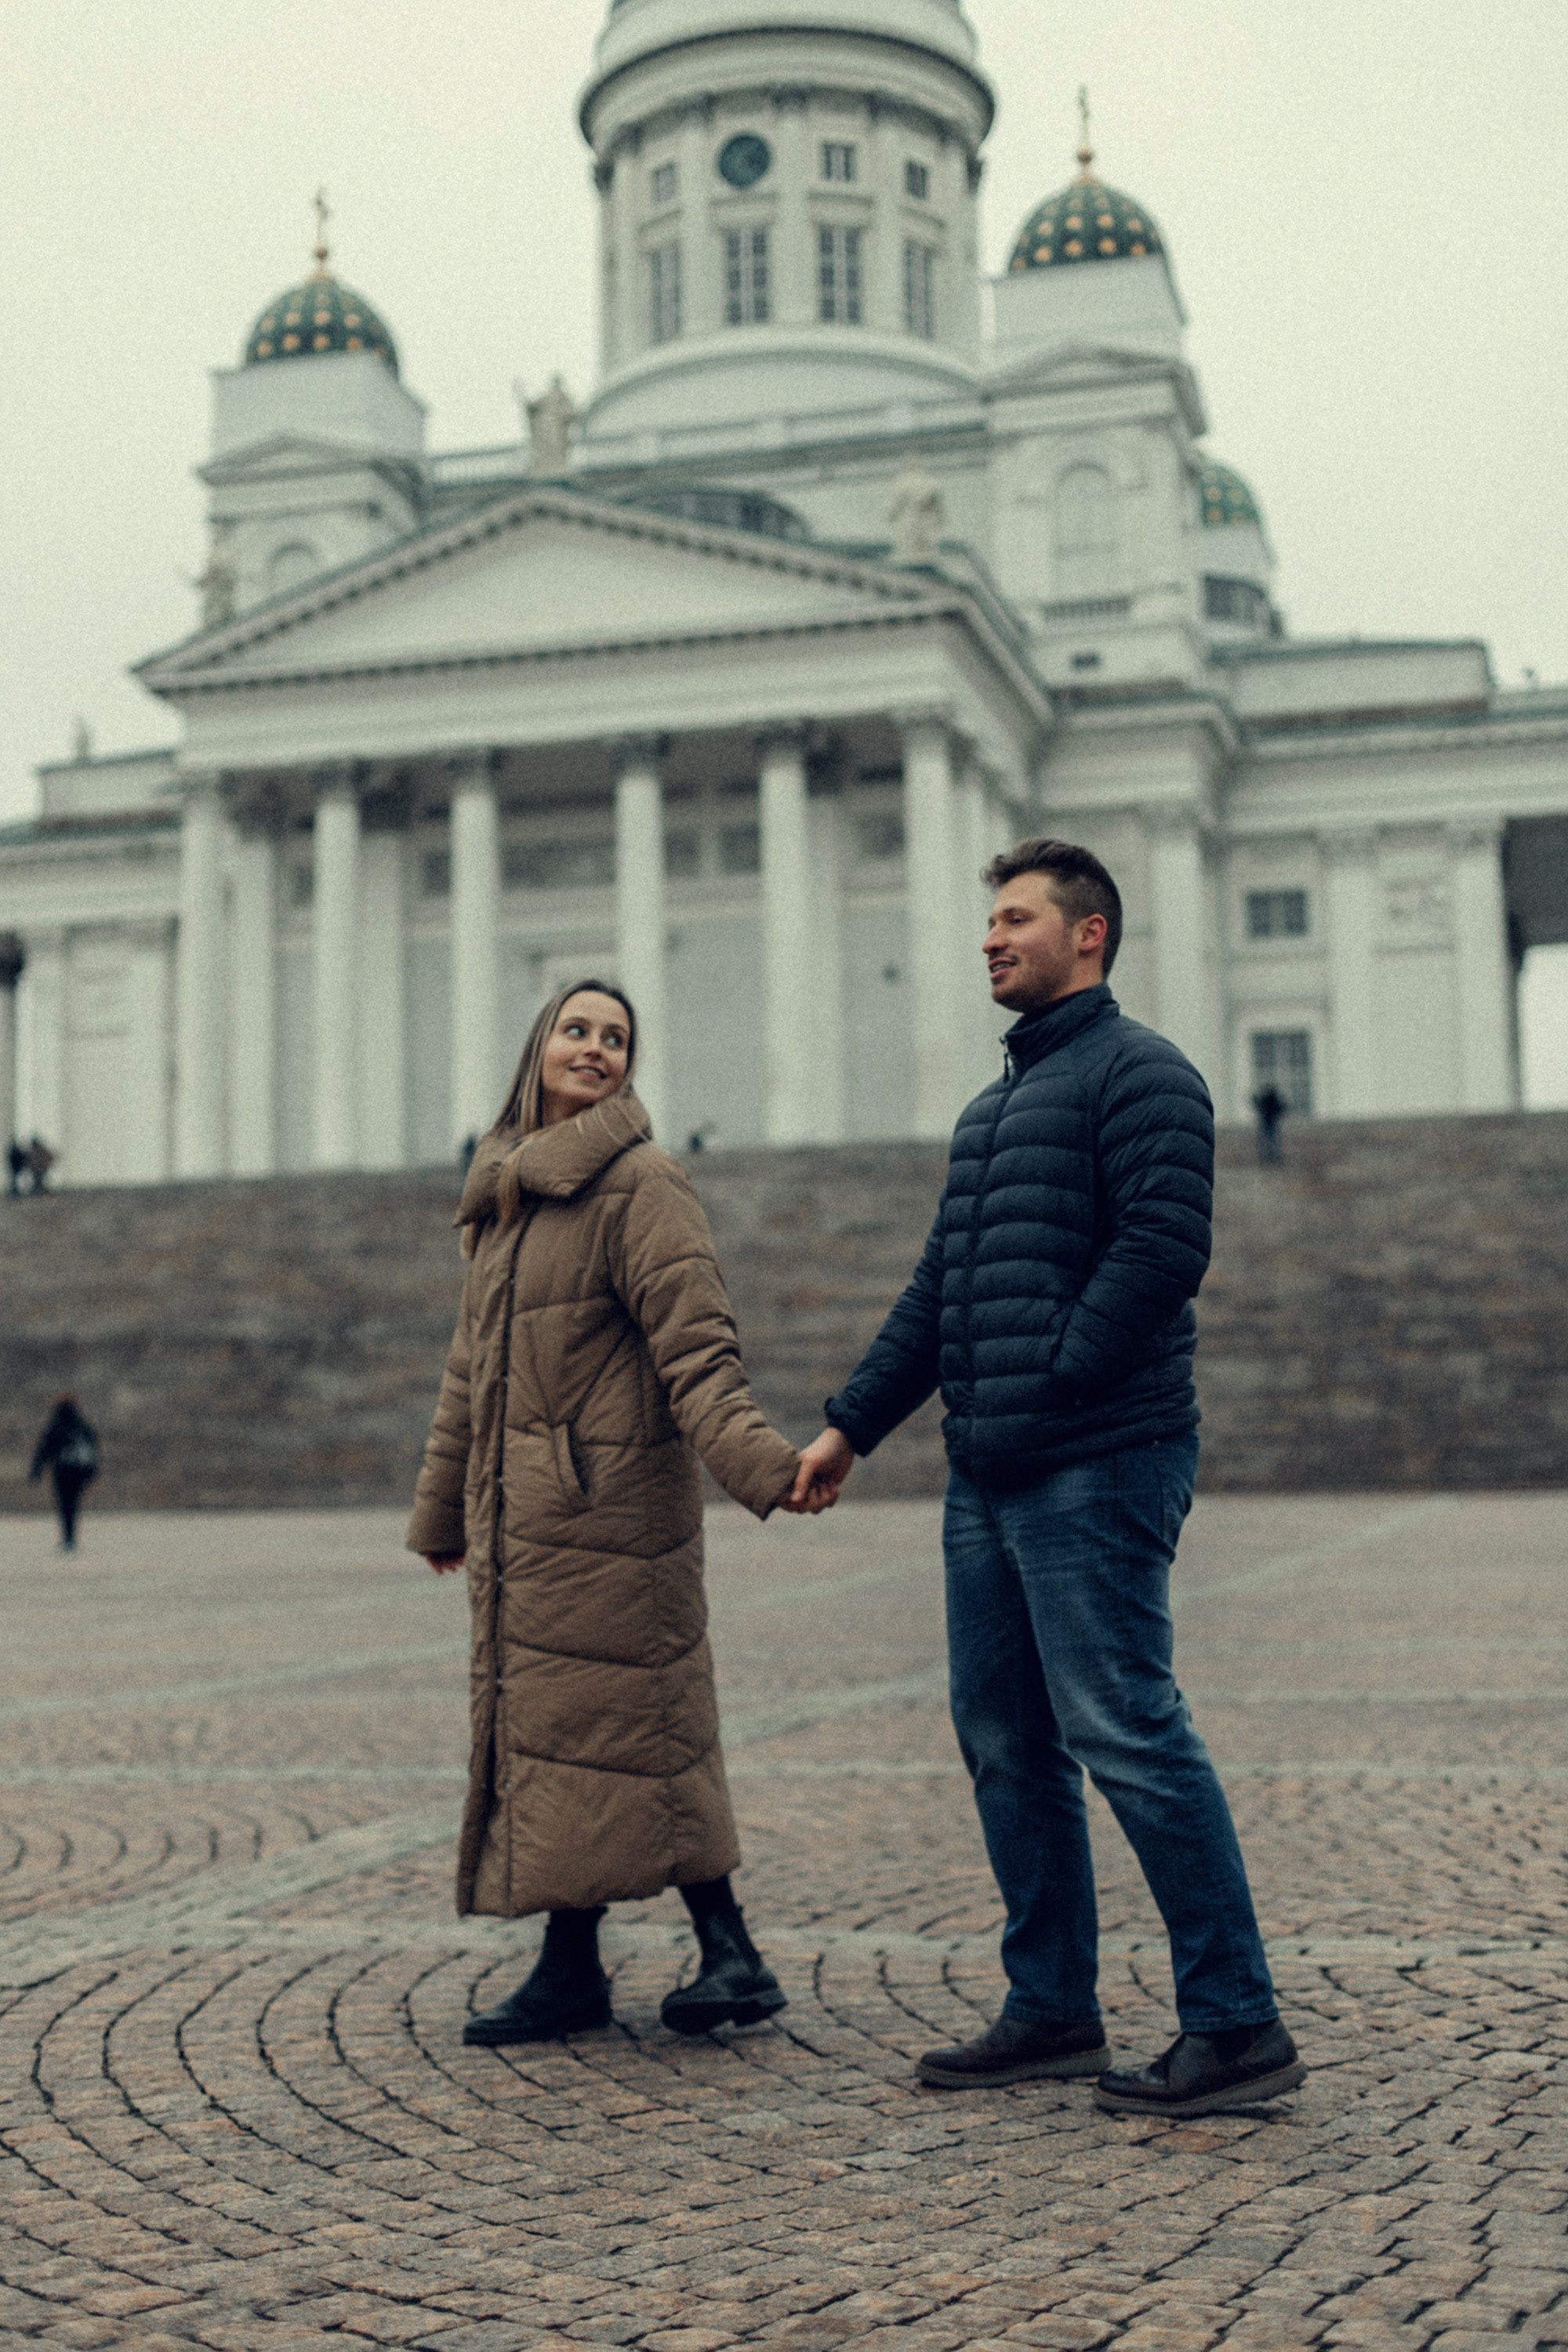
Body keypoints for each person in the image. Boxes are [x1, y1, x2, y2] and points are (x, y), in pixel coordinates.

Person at [792, 840, 1306, 2122]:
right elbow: (939, 1292)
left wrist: (1064, 1379)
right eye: (989, 920)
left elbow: (1164, 1247)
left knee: (1127, 1730)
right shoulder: (992, 1111)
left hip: (1098, 1457)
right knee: (1008, 1743)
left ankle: (1237, 2023)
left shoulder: (1146, 1075)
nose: (988, 937)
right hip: (991, 1474)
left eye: (1015, 918)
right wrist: (852, 1425)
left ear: (1091, 935)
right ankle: (1052, 2007)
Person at [408, 978, 808, 2047]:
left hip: (613, 1514)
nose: (595, 1049)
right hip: (526, 1519)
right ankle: (574, 1966)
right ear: (537, 1047)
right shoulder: (502, 1196)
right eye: (576, 1030)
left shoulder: (643, 1184)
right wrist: (442, 1512)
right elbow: (470, 1372)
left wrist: (764, 1465)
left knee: (644, 1729)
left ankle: (730, 1953)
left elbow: (697, 1348)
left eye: (616, 1038)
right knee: (565, 1739)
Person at [30, 1394, 99, 1552]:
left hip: (62, 1471)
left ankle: (68, 1538)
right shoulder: (82, 1425)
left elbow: (44, 1449)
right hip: (79, 1472)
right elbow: (92, 1450)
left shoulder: (56, 1425)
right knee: (73, 1504)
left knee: (65, 1504)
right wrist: (92, 1471)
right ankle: (71, 1537)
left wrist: (36, 1471)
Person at [1252, 1082, 1287, 1163]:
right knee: (1268, 1140)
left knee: (1271, 1140)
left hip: (1270, 1121)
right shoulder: (1267, 1099)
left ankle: (1271, 1155)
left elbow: (1280, 1108)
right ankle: (1268, 1155)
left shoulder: (1271, 1099)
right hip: (1267, 1121)